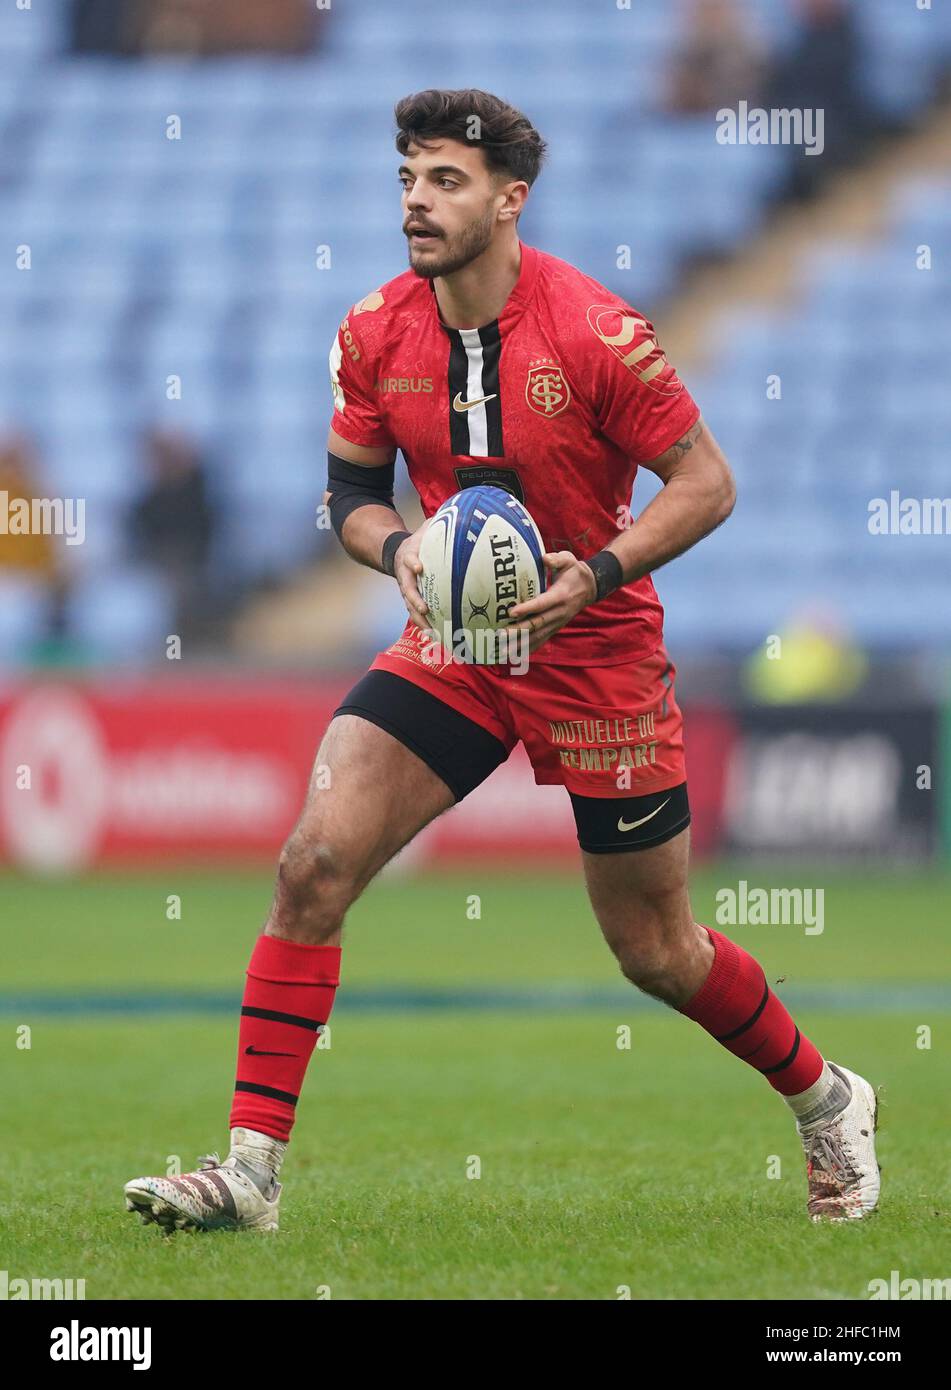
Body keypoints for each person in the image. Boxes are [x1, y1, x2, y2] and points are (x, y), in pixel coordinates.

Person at [124, 88, 879, 1233]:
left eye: (446, 182)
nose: (419, 204)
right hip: (457, 644)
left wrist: (597, 573)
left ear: (510, 199)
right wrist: (406, 551)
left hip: (597, 653)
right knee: (312, 865)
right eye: (408, 181)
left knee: (657, 951)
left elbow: (708, 483)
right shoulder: (375, 329)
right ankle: (249, 1174)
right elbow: (346, 497)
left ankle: (827, 1098)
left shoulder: (595, 332)